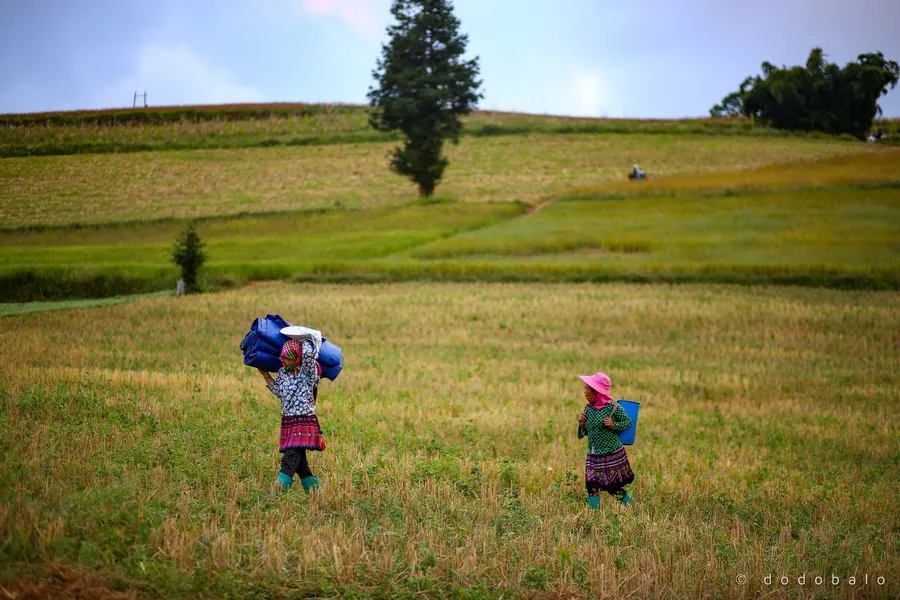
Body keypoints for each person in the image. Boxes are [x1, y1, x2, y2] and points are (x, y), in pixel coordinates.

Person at [257, 337, 326, 494]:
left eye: (287, 358)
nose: (284, 362)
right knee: (300, 464)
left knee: (289, 460)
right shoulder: (283, 373)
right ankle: (316, 495)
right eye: (283, 358)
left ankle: (273, 497)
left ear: (297, 358)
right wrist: (266, 375)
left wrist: (307, 337)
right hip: (289, 422)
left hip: (303, 422)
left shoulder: (308, 372)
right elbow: (279, 392)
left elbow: (308, 356)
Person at [576, 372, 635, 509]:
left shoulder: (613, 407)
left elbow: (628, 422)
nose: (584, 392)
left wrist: (613, 425)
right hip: (593, 455)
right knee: (592, 487)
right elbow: (584, 433)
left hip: (611, 455)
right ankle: (594, 519)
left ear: (596, 392)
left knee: (613, 488)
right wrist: (581, 424)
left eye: (587, 389)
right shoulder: (588, 409)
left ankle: (635, 509)